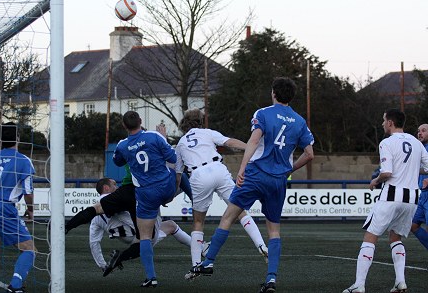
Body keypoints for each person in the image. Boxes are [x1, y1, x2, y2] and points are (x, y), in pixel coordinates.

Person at [188, 77, 315, 293]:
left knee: (229, 216)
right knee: (274, 230)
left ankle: (208, 262)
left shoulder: (263, 113)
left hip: (256, 173)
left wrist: (242, 168)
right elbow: (310, 154)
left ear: (273, 93)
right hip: (277, 180)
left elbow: (254, 141)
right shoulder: (300, 121)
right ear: (291, 96)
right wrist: (288, 171)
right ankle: (271, 279)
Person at [175, 108, 269, 280]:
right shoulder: (207, 133)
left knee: (198, 222)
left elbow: (178, 174)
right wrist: (250, 147)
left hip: (198, 175)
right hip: (218, 169)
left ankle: (196, 266)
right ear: (201, 122)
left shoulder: (181, 143)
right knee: (240, 212)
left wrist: (172, 193)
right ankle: (262, 246)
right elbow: (229, 142)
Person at [343, 109, 428, 293]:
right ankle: (400, 282)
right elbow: (426, 168)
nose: (382, 124)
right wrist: (411, 170)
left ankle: (359, 284)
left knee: (370, 237)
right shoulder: (416, 142)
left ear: (390, 122)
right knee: (395, 237)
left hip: (391, 196)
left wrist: (375, 181)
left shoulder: (387, 142)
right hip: (412, 199)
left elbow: (387, 172)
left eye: (383, 120)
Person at [112, 111, 177, 288]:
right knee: (176, 168)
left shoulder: (122, 145)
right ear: (141, 121)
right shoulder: (154, 136)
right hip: (168, 187)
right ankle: (193, 200)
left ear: (124, 126)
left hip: (147, 193)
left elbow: (117, 162)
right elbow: (173, 157)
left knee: (145, 236)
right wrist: (164, 139)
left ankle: (151, 277)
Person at [89, 177, 193, 275]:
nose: (117, 187)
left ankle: (200, 248)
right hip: (140, 231)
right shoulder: (118, 199)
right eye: (114, 185)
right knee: (160, 207)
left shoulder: (96, 213)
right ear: (106, 187)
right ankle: (200, 249)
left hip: (126, 238)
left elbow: (94, 242)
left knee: (169, 225)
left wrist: (102, 265)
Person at [0, 122, 36, 293]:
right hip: (3, 208)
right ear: (18, 138)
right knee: (29, 249)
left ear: (0, 139)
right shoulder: (23, 160)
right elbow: (28, 191)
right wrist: (30, 209)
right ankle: (15, 286)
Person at [411, 123, 428, 250]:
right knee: (412, 225)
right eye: (418, 131)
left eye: (423, 130)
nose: (420, 133)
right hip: (423, 197)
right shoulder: (420, 148)